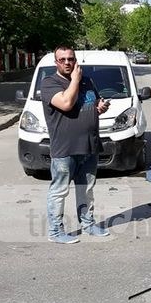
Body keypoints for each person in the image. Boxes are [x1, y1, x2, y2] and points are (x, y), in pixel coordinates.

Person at [41, 45, 111, 243]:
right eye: (62, 59)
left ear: (75, 59)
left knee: (86, 189)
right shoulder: (50, 83)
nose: (67, 63)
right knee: (59, 191)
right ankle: (56, 231)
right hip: (65, 149)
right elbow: (66, 103)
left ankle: (88, 224)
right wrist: (75, 80)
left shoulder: (88, 81)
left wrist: (100, 106)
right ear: (56, 62)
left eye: (70, 59)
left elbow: (93, 103)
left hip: (90, 146)